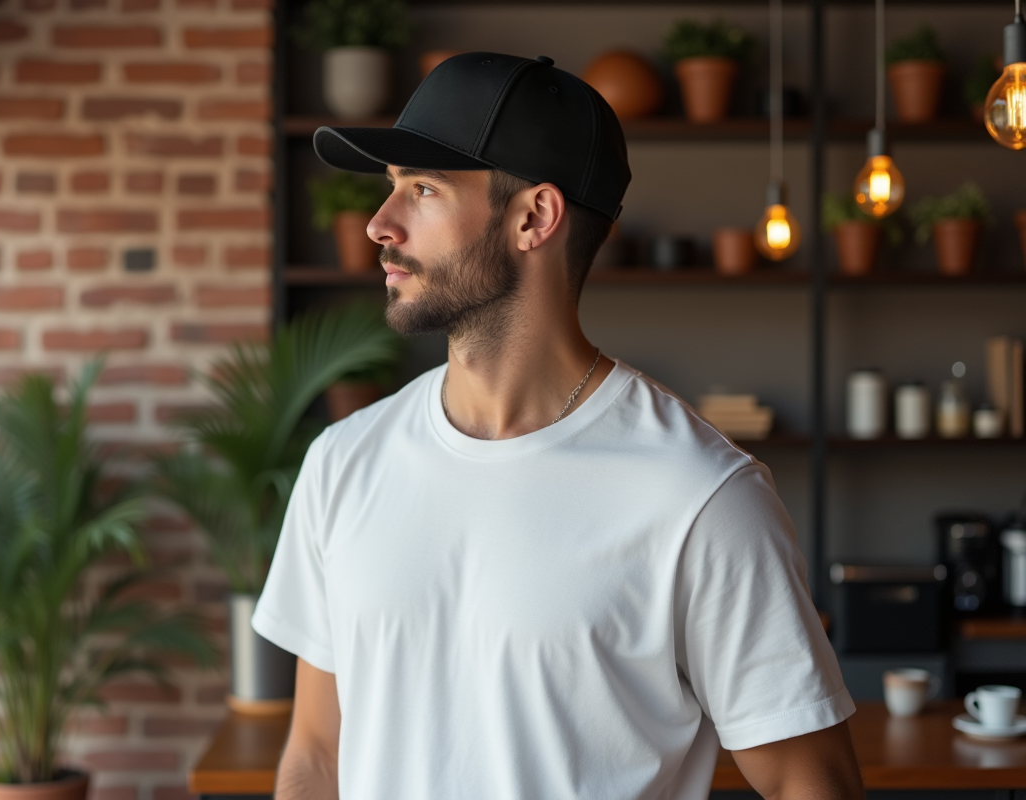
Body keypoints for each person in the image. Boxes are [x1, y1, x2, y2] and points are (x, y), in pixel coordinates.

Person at [253, 52, 863, 800]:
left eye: (423, 189)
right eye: (389, 191)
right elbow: (317, 754)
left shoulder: (700, 497)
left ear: (534, 217)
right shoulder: (343, 461)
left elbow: (814, 784)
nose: (380, 225)